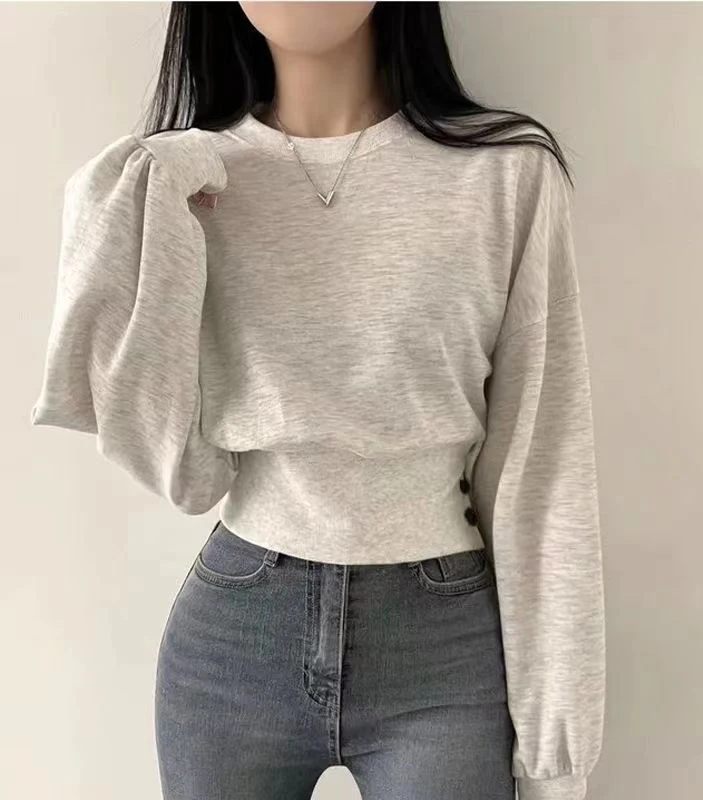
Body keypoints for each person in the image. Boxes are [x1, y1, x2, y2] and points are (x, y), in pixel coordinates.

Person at [30, 3, 605, 799]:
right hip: (235, 641)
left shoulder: (506, 176)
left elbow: (542, 472)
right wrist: (149, 217)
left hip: (440, 647)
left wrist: (555, 757)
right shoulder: (189, 182)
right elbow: (185, 475)